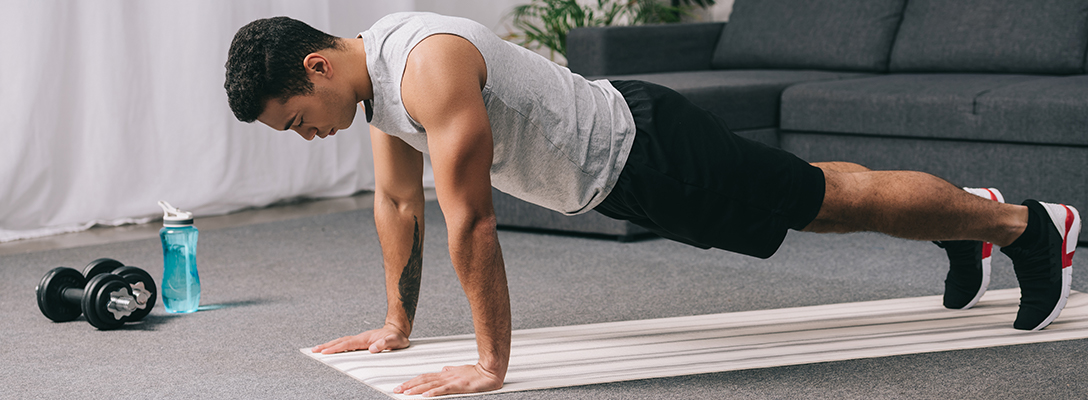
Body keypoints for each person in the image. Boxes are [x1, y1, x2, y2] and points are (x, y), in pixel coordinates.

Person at [224, 12, 1081, 397]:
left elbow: (471, 219)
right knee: (819, 199)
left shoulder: (426, 64)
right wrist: (397, 323)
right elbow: (399, 205)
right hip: (625, 172)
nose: (306, 138)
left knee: (826, 201)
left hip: (651, 149)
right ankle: (971, 221)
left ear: (316, 69)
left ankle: (1022, 225)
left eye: (297, 123)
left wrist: (490, 365)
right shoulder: (377, 87)